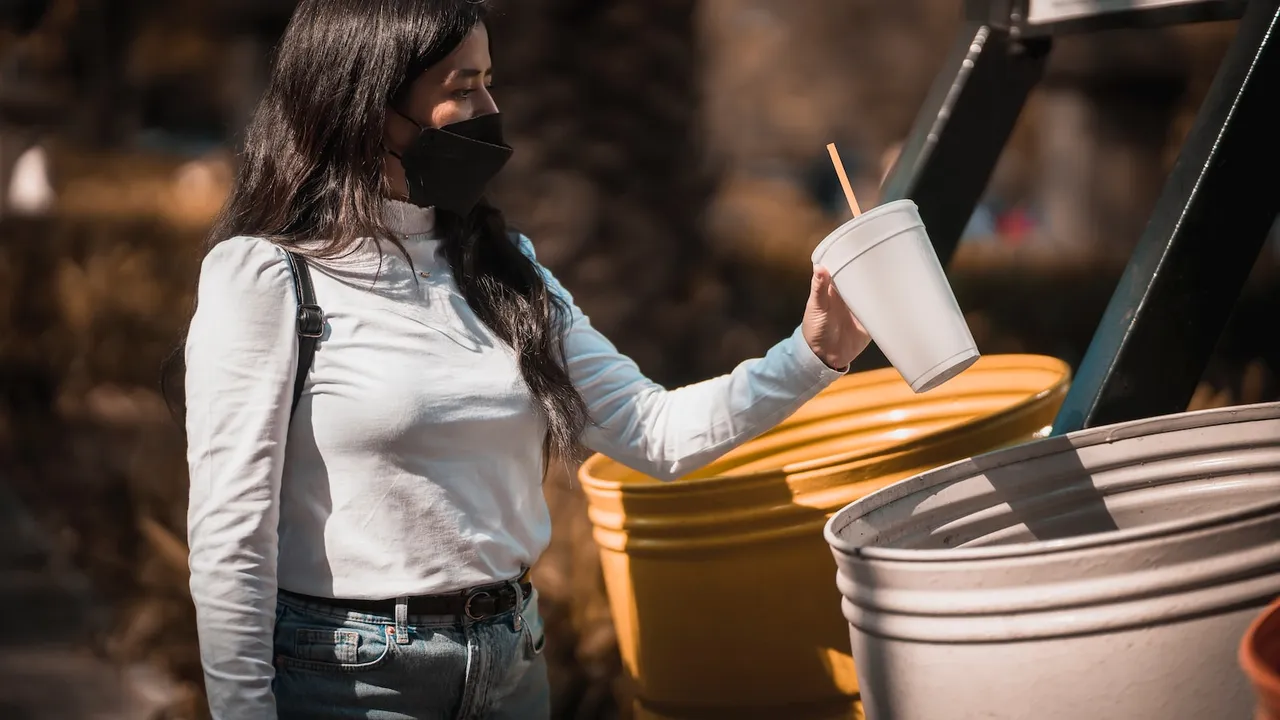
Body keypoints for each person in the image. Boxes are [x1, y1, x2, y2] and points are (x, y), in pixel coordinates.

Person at [177, 1, 870, 718]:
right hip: (350, 677)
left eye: (489, 80)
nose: (489, 107)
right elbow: (232, 535)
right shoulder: (265, 277)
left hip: (512, 664)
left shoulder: (508, 272)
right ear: (366, 101)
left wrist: (815, 352)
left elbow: (654, 432)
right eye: (462, 86)